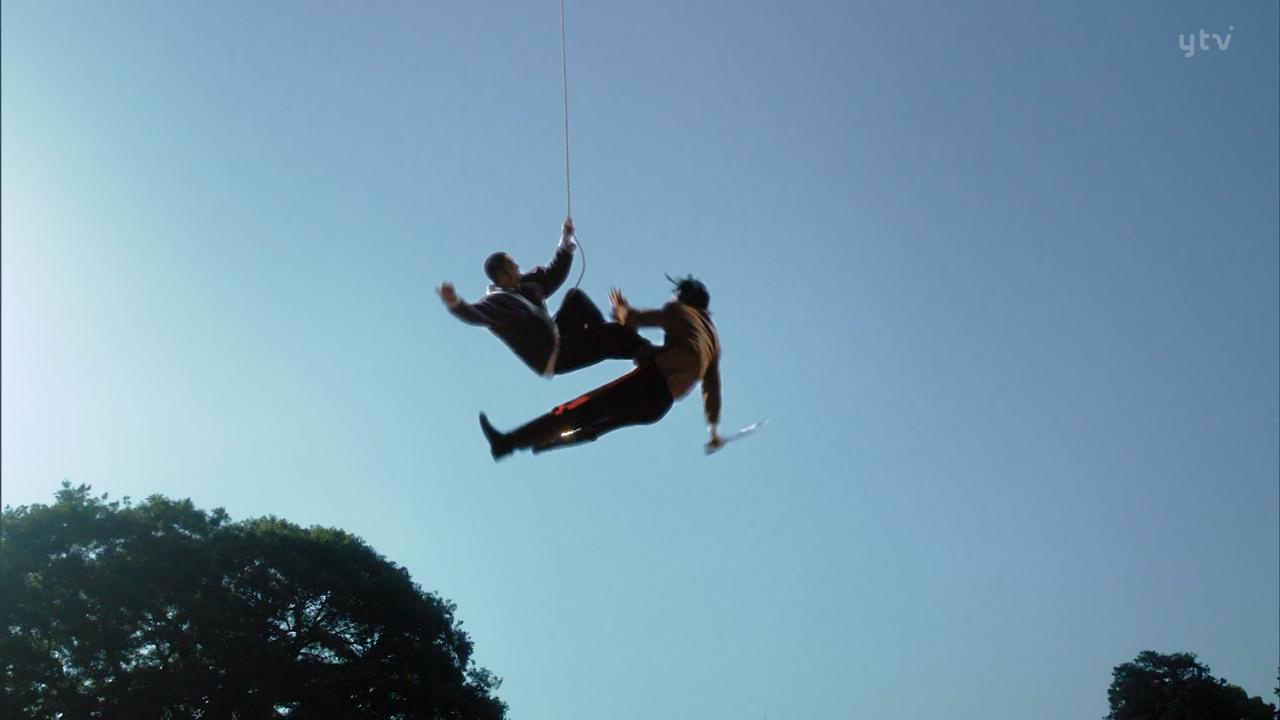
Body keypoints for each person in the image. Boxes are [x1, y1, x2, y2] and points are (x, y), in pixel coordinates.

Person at [478, 275, 725, 459]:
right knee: (597, 422)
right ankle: (546, 441)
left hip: (650, 381)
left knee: (576, 408)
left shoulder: (680, 310)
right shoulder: (712, 341)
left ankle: (507, 443)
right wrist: (713, 431)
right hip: (659, 406)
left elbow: (638, 319)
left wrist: (622, 311)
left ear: (682, 296)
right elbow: (712, 389)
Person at [438, 217, 652, 377]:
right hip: (550, 356)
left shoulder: (527, 285)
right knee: (608, 333)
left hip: (557, 336)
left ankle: (620, 339)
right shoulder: (495, 304)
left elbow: (553, 273)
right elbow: (474, 314)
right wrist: (454, 302)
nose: (518, 267)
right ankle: (641, 350)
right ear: (502, 276)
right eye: (513, 265)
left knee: (575, 298)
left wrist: (565, 239)